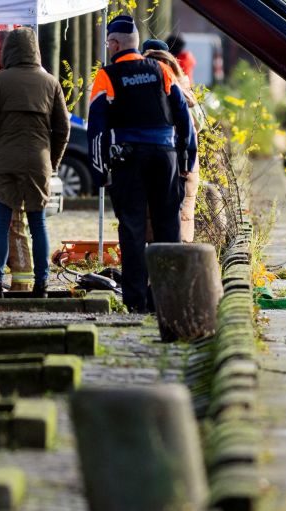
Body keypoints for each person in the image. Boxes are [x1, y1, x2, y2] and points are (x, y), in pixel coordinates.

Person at [88, 15, 196, 313]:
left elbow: (96, 128)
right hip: (165, 156)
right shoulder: (161, 70)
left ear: (115, 43)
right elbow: (182, 116)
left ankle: (136, 301)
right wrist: (186, 157)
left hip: (128, 158)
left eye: (109, 42)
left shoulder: (107, 76)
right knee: (167, 226)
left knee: (133, 228)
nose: (108, 46)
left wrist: (99, 171)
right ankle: (168, 297)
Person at [0, 27, 70, 298]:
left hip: (2, 162)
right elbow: (62, 129)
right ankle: (42, 284)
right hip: (37, 163)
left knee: (0, 224)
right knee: (38, 223)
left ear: (10, 50)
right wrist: (52, 161)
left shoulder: (0, 81)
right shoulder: (50, 83)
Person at [142, 45, 205, 243]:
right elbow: (198, 127)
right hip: (187, 167)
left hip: (174, 166)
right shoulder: (187, 95)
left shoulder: (167, 96)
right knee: (180, 221)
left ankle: (159, 265)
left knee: (161, 225)